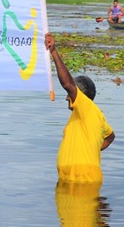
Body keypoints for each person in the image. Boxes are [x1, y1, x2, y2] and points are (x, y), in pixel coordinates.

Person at [45, 33, 115, 183]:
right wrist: (91, 149)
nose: (66, 97)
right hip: (72, 180)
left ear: (81, 95)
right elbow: (110, 136)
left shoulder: (86, 106)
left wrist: (54, 52)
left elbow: (68, 84)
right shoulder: (91, 115)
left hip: (83, 180)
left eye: (69, 94)